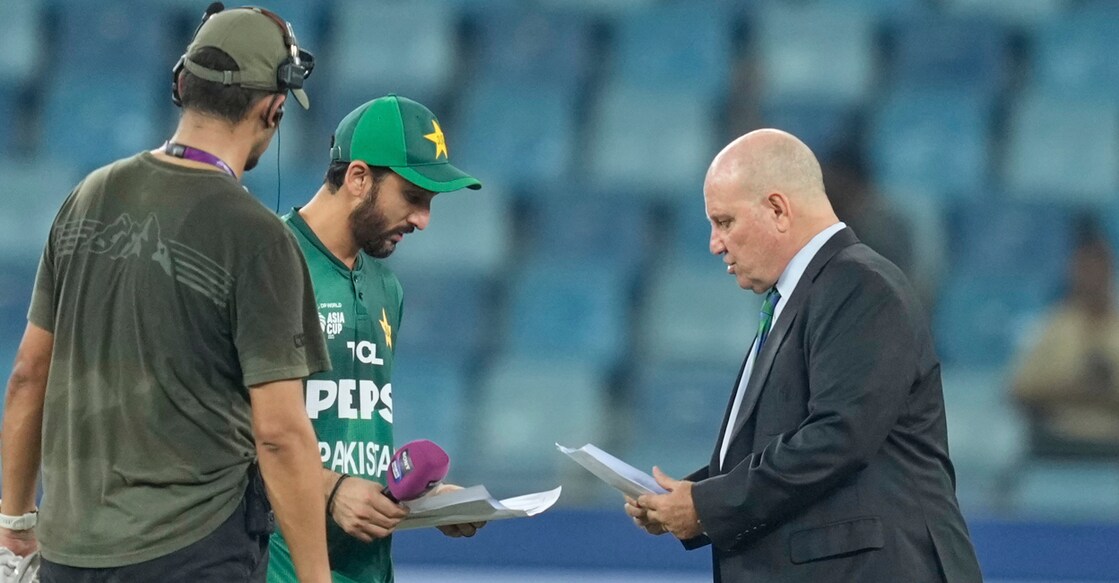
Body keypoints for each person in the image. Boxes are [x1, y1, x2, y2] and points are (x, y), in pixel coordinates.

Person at [0, 7, 333, 582]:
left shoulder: (88, 195)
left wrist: (15, 520)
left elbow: (30, 373)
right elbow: (279, 436)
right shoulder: (257, 238)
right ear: (273, 107)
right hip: (192, 554)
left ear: (182, 85)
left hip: (68, 554)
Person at [625, 129, 982, 582]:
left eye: (725, 222)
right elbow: (783, 437)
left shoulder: (860, 285)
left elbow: (838, 435)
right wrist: (692, 496)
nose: (715, 243)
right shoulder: (804, 295)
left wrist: (706, 506)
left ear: (777, 209)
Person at [266, 94, 484, 583]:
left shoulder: (387, 286)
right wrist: (330, 488)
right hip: (277, 566)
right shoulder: (269, 264)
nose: (424, 220)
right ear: (359, 177)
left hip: (368, 569)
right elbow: (219, 434)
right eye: (413, 196)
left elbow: (349, 426)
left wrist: (418, 498)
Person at [1011, 218, 1119, 459]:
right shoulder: (1052, 325)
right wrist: (1075, 381)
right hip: (1060, 442)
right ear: (1073, 270)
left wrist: (1108, 381)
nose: (1093, 275)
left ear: (1110, 269)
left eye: (1099, 266)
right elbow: (1019, 388)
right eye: (1085, 266)